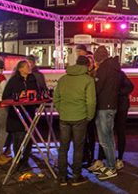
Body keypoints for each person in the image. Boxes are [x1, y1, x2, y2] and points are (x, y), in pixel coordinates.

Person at [54, 55, 95, 186]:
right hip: (80, 117)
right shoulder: (88, 80)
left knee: (63, 147)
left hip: (64, 117)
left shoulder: (63, 79)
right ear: (87, 65)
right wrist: (89, 116)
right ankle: (76, 177)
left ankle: (62, 177)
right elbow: (91, 102)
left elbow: (56, 98)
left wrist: (62, 111)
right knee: (78, 147)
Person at [2, 60, 39, 173]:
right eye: (27, 66)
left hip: (29, 111)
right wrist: (18, 96)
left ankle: (25, 160)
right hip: (17, 114)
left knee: (28, 138)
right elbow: (5, 95)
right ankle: (17, 160)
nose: (29, 67)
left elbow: (37, 92)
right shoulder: (14, 80)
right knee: (17, 137)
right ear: (20, 69)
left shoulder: (32, 79)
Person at [92, 46, 121, 180]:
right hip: (111, 105)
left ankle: (111, 167)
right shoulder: (114, 67)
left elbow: (97, 88)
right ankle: (110, 163)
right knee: (108, 137)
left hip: (104, 106)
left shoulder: (103, 69)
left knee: (105, 139)